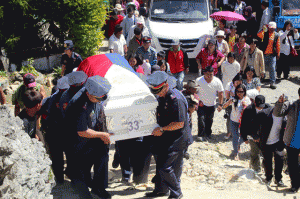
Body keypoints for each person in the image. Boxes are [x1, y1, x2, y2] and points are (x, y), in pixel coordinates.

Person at [145, 71, 191, 199]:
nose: (157, 94)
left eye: (159, 90)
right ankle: (161, 189)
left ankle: (176, 192)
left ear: (165, 85)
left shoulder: (176, 99)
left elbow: (179, 123)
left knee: (166, 167)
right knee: (161, 164)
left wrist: (162, 129)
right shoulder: (162, 97)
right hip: (165, 137)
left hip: (177, 138)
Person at [65, 76, 112, 199]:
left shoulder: (94, 92)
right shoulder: (80, 105)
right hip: (77, 143)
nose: (100, 100)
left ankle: (99, 187)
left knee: (103, 155)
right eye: (98, 98)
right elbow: (82, 131)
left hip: (90, 138)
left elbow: (98, 109)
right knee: (80, 175)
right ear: (88, 94)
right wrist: (102, 134)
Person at [42, 76, 70, 184]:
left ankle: (61, 177)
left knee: (59, 157)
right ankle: (61, 177)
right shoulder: (52, 100)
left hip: (56, 133)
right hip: (59, 133)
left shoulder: (50, 99)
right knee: (63, 156)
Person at [256, 98, 286, 187]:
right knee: (268, 161)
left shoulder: (285, 116)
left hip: (278, 141)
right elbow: (254, 124)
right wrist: (256, 136)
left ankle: (278, 179)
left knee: (279, 160)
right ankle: (268, 178)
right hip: (266, 141)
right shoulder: (264, 113)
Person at [273, 92, 300, 193]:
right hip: (292, 141)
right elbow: (277, 113)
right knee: (292, 165)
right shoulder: (292, 105)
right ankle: (295, 185)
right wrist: (280, 103)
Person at [240, 95, 271, 172]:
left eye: (261, 106)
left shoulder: (268, 108)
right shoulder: (248, 110)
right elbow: (244, 125)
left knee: (267, 153)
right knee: (255, 153)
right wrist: (244, 138)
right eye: (258, 106)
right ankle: (256, 170)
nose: (260, 108)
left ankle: (267, 170)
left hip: (265, 135)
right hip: (252, 134)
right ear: (254, 102)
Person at [223, 84, 251, 160]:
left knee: (244, 137)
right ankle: (236, 153)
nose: (239, 93)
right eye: (237, 91)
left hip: (243, 122)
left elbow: (250, 111)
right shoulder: (233, 99)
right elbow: (224, 106)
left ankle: (237, 145)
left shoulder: (247, 100)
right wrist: (228, 102)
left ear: (244, 92)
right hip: (233, 121)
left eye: (241, 91)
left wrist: (246, 107)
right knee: (235, 137)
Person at [196, 66, 224, 141]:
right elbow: (195, 91)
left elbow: (220, 93)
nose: (209, 76)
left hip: (211, 104)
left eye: (211, 74)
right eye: (207, 74)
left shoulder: (217, 81)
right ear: (204, 73)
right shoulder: (199, 80)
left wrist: (220, 104)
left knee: (209, 120)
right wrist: (196, 101)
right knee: (201, 119)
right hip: (201, 104)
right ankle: (200, 134)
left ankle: (208, 134)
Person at [257, 21, 280, 89]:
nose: (271, 29)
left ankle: (272, 82)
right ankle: (260, 80)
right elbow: (259, 35)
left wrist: (278, 53)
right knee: (261, 68)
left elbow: (278, 45)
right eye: (270, 28)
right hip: (264, 54)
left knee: (272, 68)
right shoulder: (264, 33)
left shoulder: (276, 35)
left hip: (272, 54)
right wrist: (263, 29)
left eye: (273, 28)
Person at [224, 73, 243, 139]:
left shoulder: (242, 86)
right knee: (229, 118)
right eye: (237, 82)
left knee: (238, 118)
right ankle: (229, 132)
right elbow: (227, 96)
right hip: (230, 103)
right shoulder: (229, 85)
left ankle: (235, 132)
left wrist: (234, 95)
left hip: (238, 104)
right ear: (234, 81)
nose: (238, 84)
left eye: (240, 83)